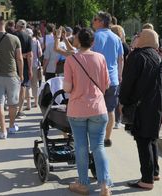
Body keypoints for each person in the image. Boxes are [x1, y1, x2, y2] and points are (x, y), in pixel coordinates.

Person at [62, 28, 112, 196]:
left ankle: (83, 184)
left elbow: (67, 88)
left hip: (77, 109)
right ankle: (104, 184)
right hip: (98, 108)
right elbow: (106, 84)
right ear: (92, 42)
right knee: (98, 146)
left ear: (77, 41)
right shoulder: (101, 58)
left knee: (81, 147)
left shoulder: (71, 60)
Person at [119, 29, 162, 190]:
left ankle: (147, 179)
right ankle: (154, 171)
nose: (136, 37)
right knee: (152, 138)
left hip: (141, 106)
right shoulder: (159, 58)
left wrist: (122, 102)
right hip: (157, 105)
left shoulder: (137, 57)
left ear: (144, 39)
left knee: (143, 140)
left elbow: (127, 84)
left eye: (139, 35)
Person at [0, 15, 23, 139]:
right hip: (12, 74)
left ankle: (3, 131)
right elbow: (19, 58)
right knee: (13, 104)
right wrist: (21, 74)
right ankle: (12, 126)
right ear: (4, 23)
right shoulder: (15, 39)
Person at [92, 11, 124, 147]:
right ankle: (107, 137)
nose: (93, 22)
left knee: (95, 110)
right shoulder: (116, 38)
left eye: (95, 19)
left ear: (101, 21)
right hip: (113, 79)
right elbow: (120, 59)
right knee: (110, 110)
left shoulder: (95, 37)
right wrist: (120, 75)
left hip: (96, 80)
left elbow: (89, 57)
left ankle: (96, 137)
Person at [110, 25, 130, 129]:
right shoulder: (124, 45)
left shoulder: (114, 44)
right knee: (118, 99)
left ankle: (116, 120)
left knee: (115, 99)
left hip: (118, 73)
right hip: (122, 73)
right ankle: (118, 120)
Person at [15, 20, 33, 119]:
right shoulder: (28, 37)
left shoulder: (12, 36)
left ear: (16, 26)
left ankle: (12, 109)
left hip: (13, 64)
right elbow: (30, 55)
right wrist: (30, 69)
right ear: (25, 27)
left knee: (13, 87)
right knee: (22, 87)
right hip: (25, 65)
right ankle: (20, 110)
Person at [27, 28, 42, 108]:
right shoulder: (36, 41)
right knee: (35, 84)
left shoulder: (25, 42)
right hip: (35, 64)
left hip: (27, 65)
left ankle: (28, 103)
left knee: (27, 84)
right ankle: (36, 102)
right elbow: (40, 54)